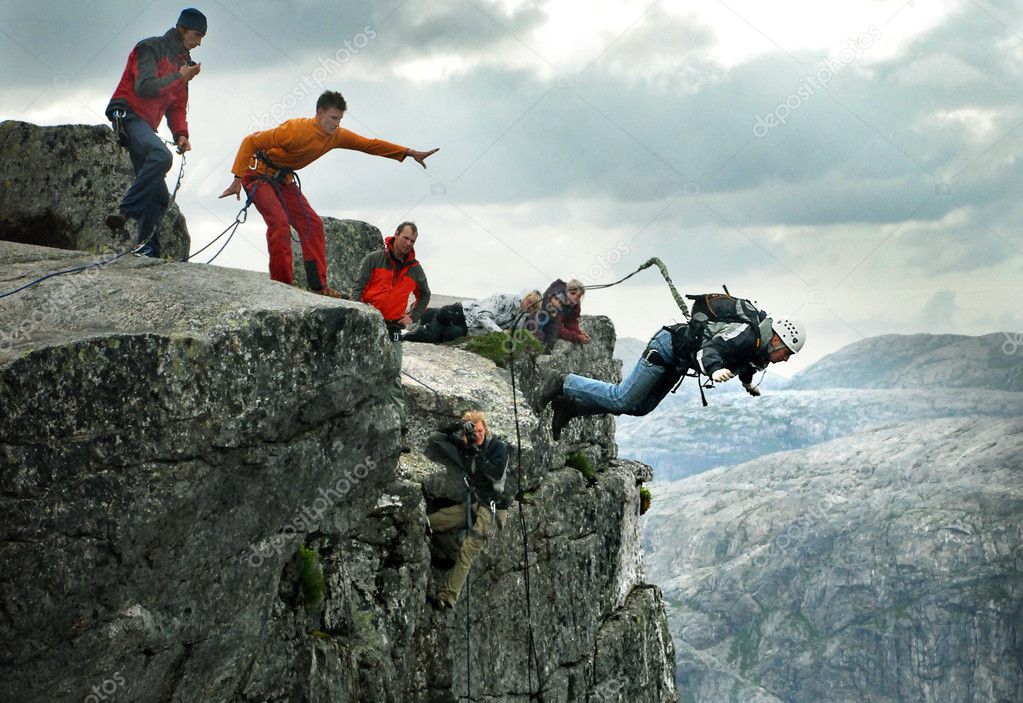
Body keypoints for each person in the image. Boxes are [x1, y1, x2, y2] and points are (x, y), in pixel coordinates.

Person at [219, 90, 438, 297]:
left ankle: (318, 287)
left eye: (340, 119)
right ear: (319, 113)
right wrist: (237, 178)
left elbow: (369, 145)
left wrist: (407, 152)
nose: (336, 124)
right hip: (256, 175)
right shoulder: (296, 130)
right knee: (279, 223)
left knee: (313, 224)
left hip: (282, 179)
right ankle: (282, 287)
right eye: (333, 118)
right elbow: (251, 141)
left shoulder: (336, 136)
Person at [538, 315, 807, 440]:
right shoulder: (748, 335)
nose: (786, 358)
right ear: (775, 339)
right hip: (666, 349)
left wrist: (747, 384)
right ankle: (561, 381)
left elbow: (746, 363)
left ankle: (570, 406)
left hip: (676, 363)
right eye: (787, 352)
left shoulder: (759, 351)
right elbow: (711, 349)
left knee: (641, 407)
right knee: (622, 399)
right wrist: (713, 369)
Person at [104, 8, 207, 258]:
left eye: (202, 37)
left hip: (146, 126)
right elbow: (145, 87)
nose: (199, 41)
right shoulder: (149, 47)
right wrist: (178, 77)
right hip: (127, 115)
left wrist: (181, 134)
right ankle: (125, 212)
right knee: (161, 157)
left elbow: (177, 106)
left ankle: (148, 250)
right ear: (181, 29)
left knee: (160, 198)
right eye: (196, 34)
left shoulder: (184, 65)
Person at [354, 222, 430, 450]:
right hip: (369, 325)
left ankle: (400, 431)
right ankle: (358, 429)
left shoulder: (415, 269)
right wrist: (360, 316)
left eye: (413, 241)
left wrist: (412, 316)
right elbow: (357, 289)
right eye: (406, 238)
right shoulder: (374, 259)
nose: (408, 244)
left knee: (394, 374)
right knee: (362, 373)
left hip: (394, 329)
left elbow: (425, 294)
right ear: (396, 235)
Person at [426, 411, 510, 610]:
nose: (477, 435)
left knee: (468, 551)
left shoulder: (498, 447)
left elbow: (496, 474)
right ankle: (451, 555)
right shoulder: (466, 445)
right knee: (428, 522)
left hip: (492, 509)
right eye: (474, 431)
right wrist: (458, 427)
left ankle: (447, 596)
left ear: (486, 429)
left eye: (480, 430)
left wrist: (476, 452)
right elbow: (435, 437)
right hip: (473, 503)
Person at [403, 289, 542, 343]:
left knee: (449, 334)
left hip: (469, 328)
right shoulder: (504, 299)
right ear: (526, 297)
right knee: (433, 334)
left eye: (533, 307)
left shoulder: (522, 315)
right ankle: (403, 336)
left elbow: (515, 332)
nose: (529, 307)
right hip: (464, 312)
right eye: (529, 302)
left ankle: (427, 315)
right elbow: (481, 316)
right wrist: (501, 333)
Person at [529, 278, 591, 351]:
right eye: (572, 293)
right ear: (566, 291)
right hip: (539, 326)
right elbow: (558, 328)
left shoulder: (574, 305)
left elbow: (571, 322)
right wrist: (577, 337)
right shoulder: (556, 299)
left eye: (579, 296)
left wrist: (579, 333)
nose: (575, 298)